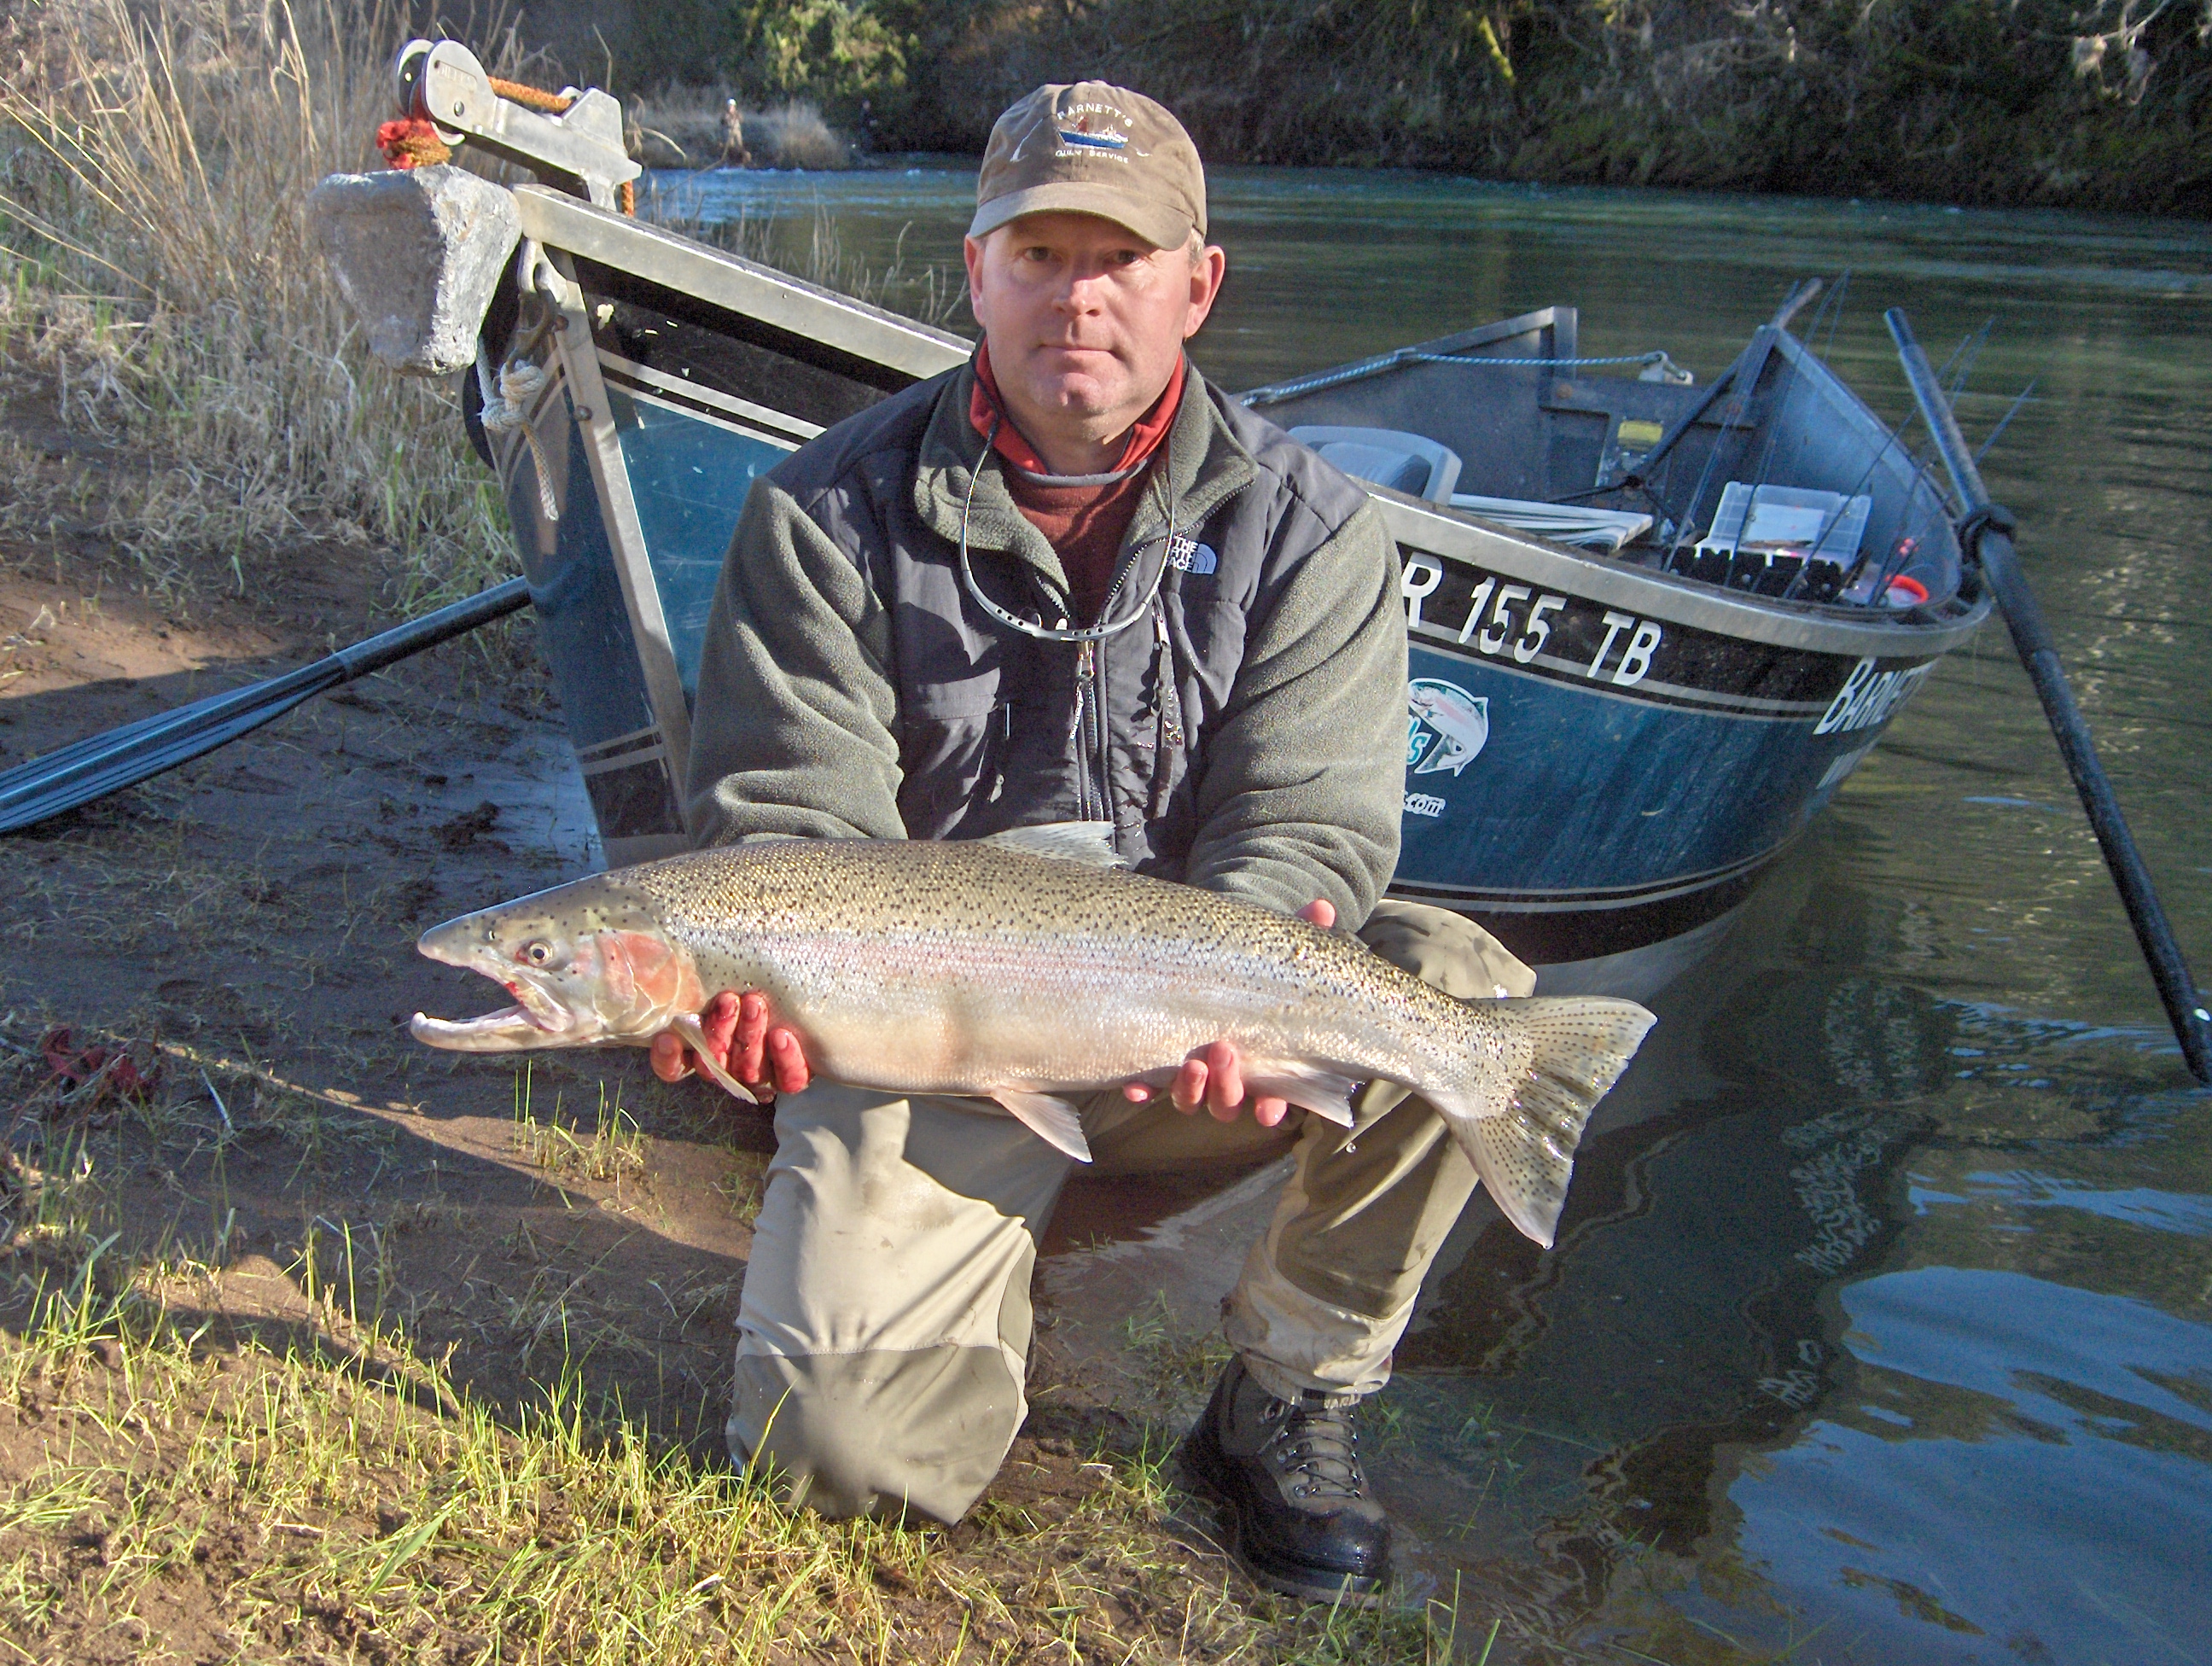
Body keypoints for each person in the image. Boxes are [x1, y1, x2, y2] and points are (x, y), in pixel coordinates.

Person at [652, 80, 1532, 1605]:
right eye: (1039, 251)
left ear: (1198, 284)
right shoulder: (821, 515)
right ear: (975, 270)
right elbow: (788, 833)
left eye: (1118, 257)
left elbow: (1309, 833)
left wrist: (1235, 998)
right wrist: (749, 1014)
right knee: (841, 1465)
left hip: (1199, 1038)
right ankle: (953, 1254)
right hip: (932, 1045)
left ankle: (1286, 1397)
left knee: (1464, 995)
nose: (1079, 294)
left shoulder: (1318, 532)